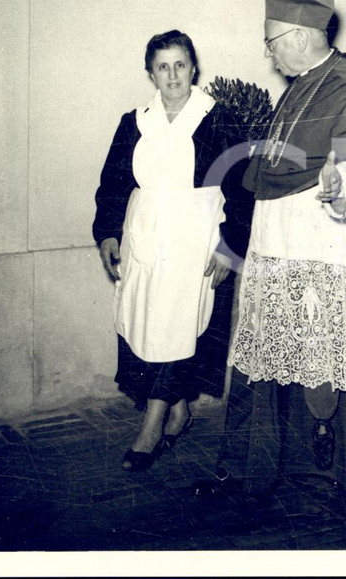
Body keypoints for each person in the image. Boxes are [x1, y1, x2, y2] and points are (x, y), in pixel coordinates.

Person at [195, 0, 346, 503]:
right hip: (287, 250)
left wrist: (342, 186)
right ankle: (261, 471)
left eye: (271, 41)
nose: (267, 53)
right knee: (277, 362)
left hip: (331, 252)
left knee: (343, 360)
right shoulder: (301, 85)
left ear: (296, 35)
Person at [93, 29, 252, 471]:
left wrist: (229, 246)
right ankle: (177, 407)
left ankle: (152, 426)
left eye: (180, 64)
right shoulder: (135, 121)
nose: (173, 74)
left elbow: (242, 191)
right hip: (143, 235)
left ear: (193, 67)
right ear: (150, 74)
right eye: (163, 66)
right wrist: (107, 231)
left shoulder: (217, 119)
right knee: (146, 327)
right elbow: (113, 181)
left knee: (180, 328)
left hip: (196, 239)